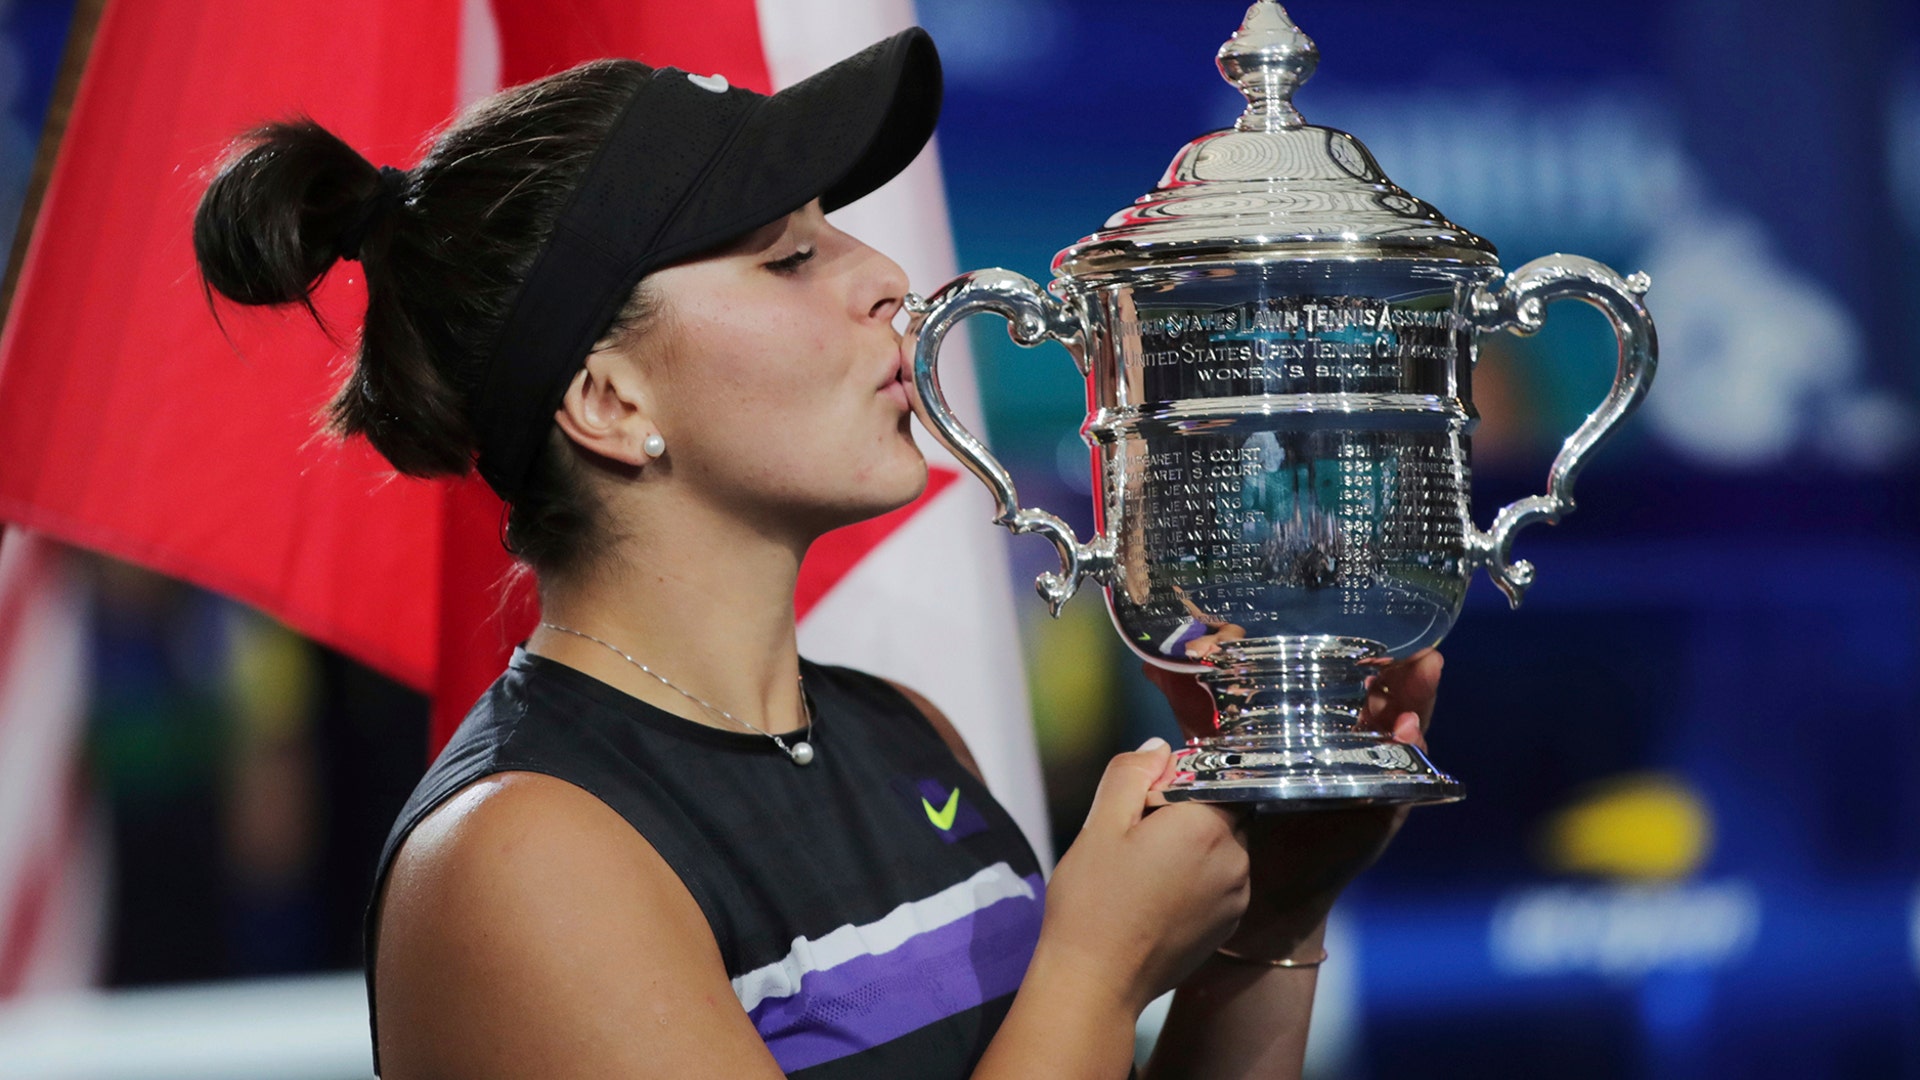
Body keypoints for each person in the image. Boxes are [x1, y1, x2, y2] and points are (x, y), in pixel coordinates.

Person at [191, 26, 1443, 1080]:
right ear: (610, 402)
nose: (887, 278)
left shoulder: (903, 731)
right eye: (789, 256)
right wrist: (1095, 970)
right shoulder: (523, 860)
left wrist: (1269, 919)